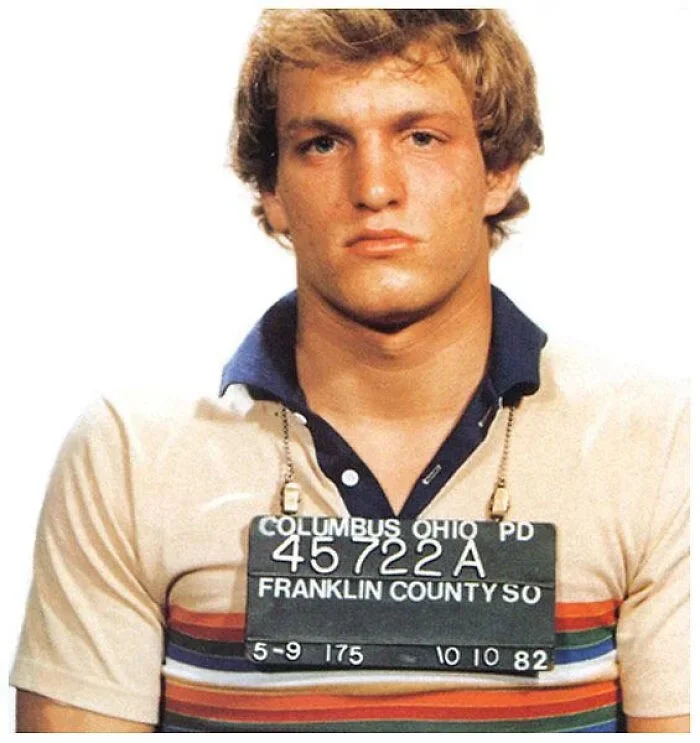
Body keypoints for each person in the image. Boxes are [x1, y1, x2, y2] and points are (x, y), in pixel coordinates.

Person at [11, 9, 689, 733]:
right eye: (323, 143)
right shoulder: (131, 457)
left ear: (498, 170)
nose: (374, 188)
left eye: (421, 137)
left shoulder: (654, 446)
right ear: (273, 192)